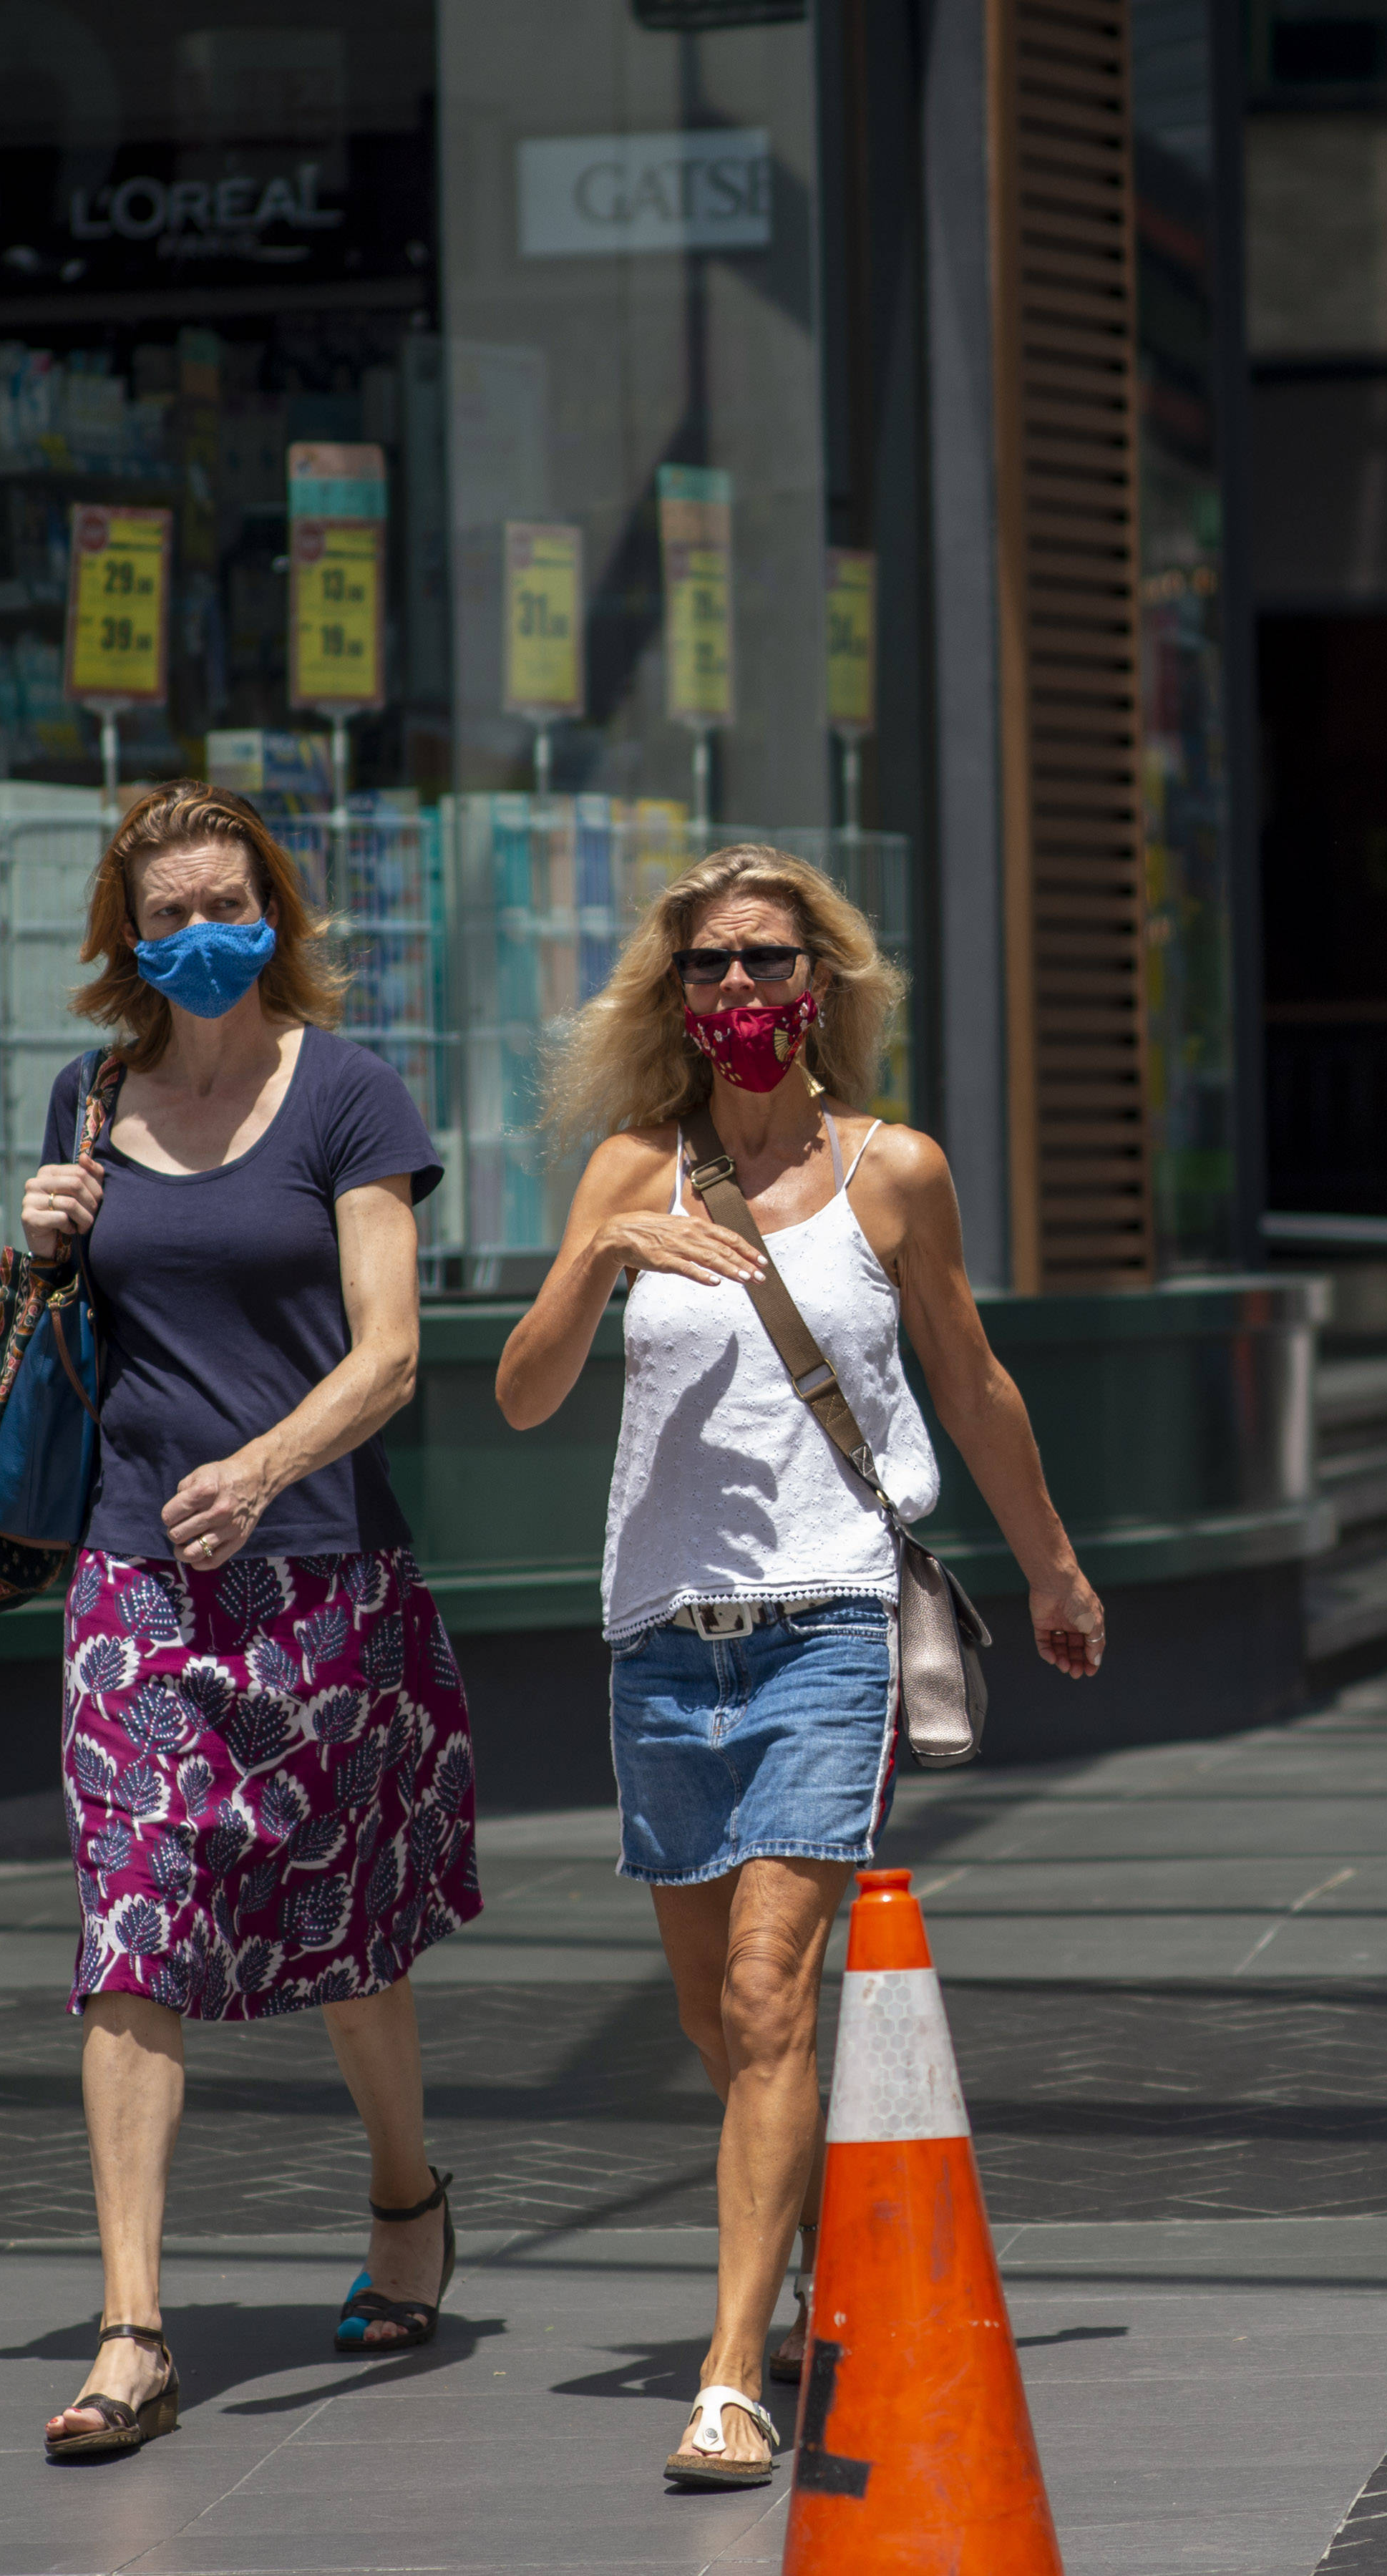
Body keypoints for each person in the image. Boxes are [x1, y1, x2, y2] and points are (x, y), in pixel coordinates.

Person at [493, 845, 1105, 2489]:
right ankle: (818, 2260)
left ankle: (728, 2372)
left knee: (768, 1994)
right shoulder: (630, 1167)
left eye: (769, 963)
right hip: (660, 1641)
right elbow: (524, 1394)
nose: (742, 994)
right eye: (712, 969)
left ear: (819, 984)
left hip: (832, 1620)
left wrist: (1046, 1560)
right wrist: (607, 1256)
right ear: (675, 1001)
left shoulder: (892, 1169)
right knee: (718, 2015)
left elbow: (971, 1385)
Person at [21, 783, 481, 2461]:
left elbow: (392, 1350)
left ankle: (404, 2196)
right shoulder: (89, 1100)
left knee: (344, 1931)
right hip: (134, 1574)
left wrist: (265, 1463)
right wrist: (37, 1239)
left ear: (273, 908)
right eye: (166, 915)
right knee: (131, 1926)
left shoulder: (347, 1097)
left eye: (226, 902)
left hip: (316, 1574)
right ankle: (133, 2327)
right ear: (126, 937)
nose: (198, 935)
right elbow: (51, 1340)